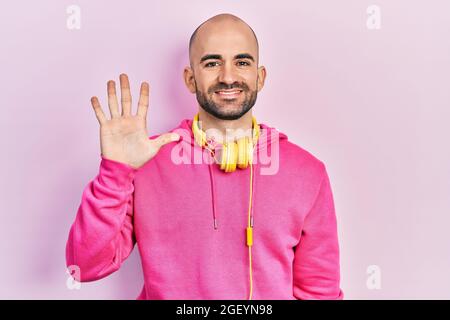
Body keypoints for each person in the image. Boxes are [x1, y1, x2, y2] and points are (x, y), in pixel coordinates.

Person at [65, 13, 344, 300]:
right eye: (212, 63)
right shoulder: (145, 161)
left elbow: (319, 292)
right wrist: (115, 172)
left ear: (260, 77)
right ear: (190, 78)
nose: (228, 77)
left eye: (242, 62)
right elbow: (83, 267)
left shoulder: (308, 172)